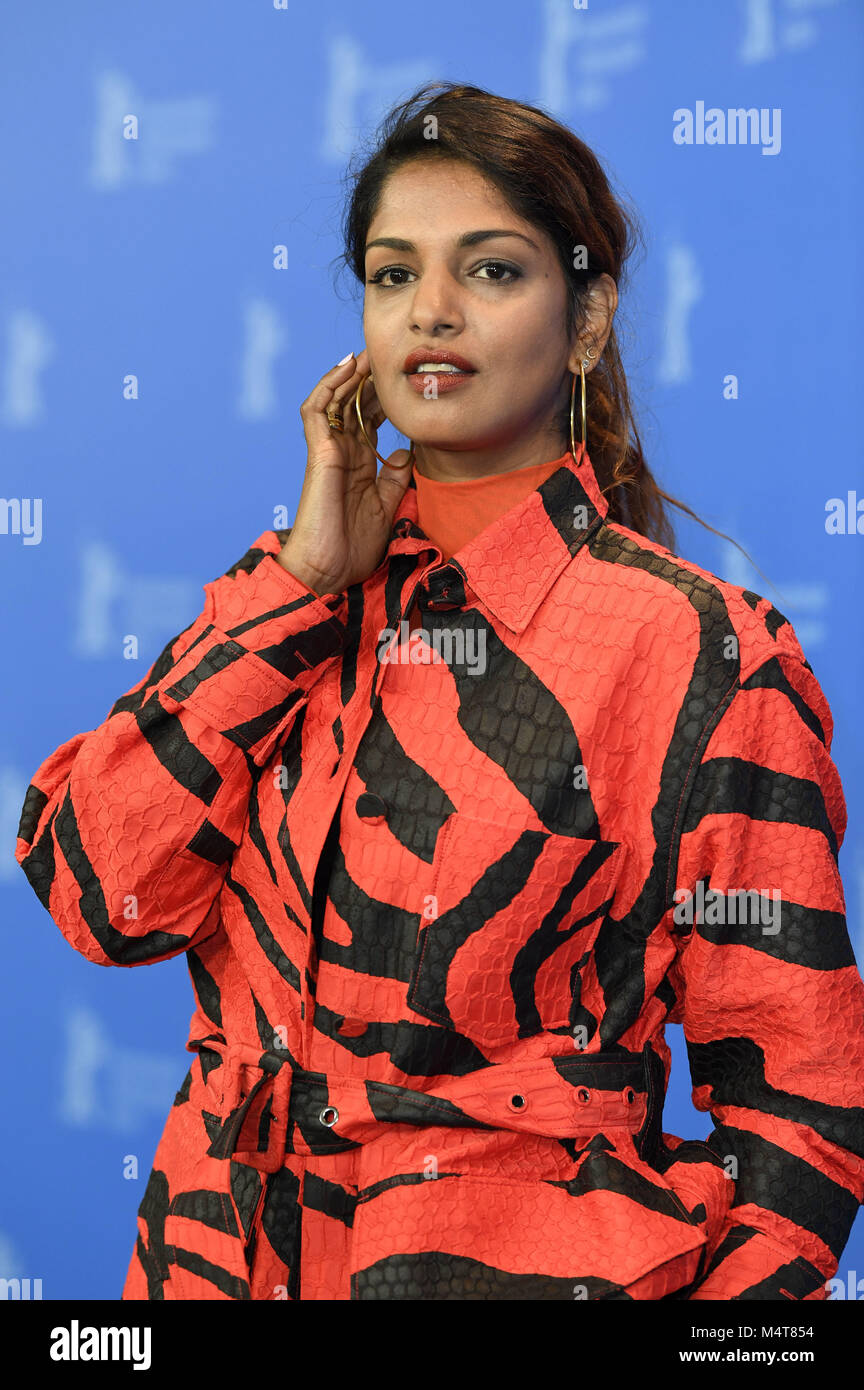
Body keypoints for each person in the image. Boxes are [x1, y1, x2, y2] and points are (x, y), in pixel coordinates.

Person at [16, 80, 864, 1302]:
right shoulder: (295, 597)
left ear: (586, 319)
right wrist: (302, 583)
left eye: (494, 270)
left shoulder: (702, 656)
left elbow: (806, 1107)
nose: (434, 312)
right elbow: (100, 897)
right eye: (393, 273)